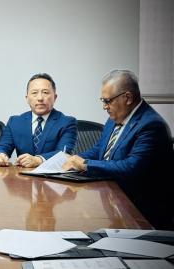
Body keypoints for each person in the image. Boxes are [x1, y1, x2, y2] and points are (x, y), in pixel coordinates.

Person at [63, 70, 174, 229]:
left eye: (107, 101)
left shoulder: (151, 126)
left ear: (127, 98)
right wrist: (70, 160)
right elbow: (98, 150)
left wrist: (85, 164)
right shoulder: (115, 117)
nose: (104, 107)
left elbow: (131, 167)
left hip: (139, 215)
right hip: (112, 201)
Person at [0, 73, 77, 167]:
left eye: (45, 92)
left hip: (52, 178)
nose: (40, 98)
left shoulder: (67, 122)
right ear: (27, 98)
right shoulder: (15, 122)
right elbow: (3, 146)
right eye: (34, 93)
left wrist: (39, 160)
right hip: (22, 177)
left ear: (55, 97)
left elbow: (64, 154)